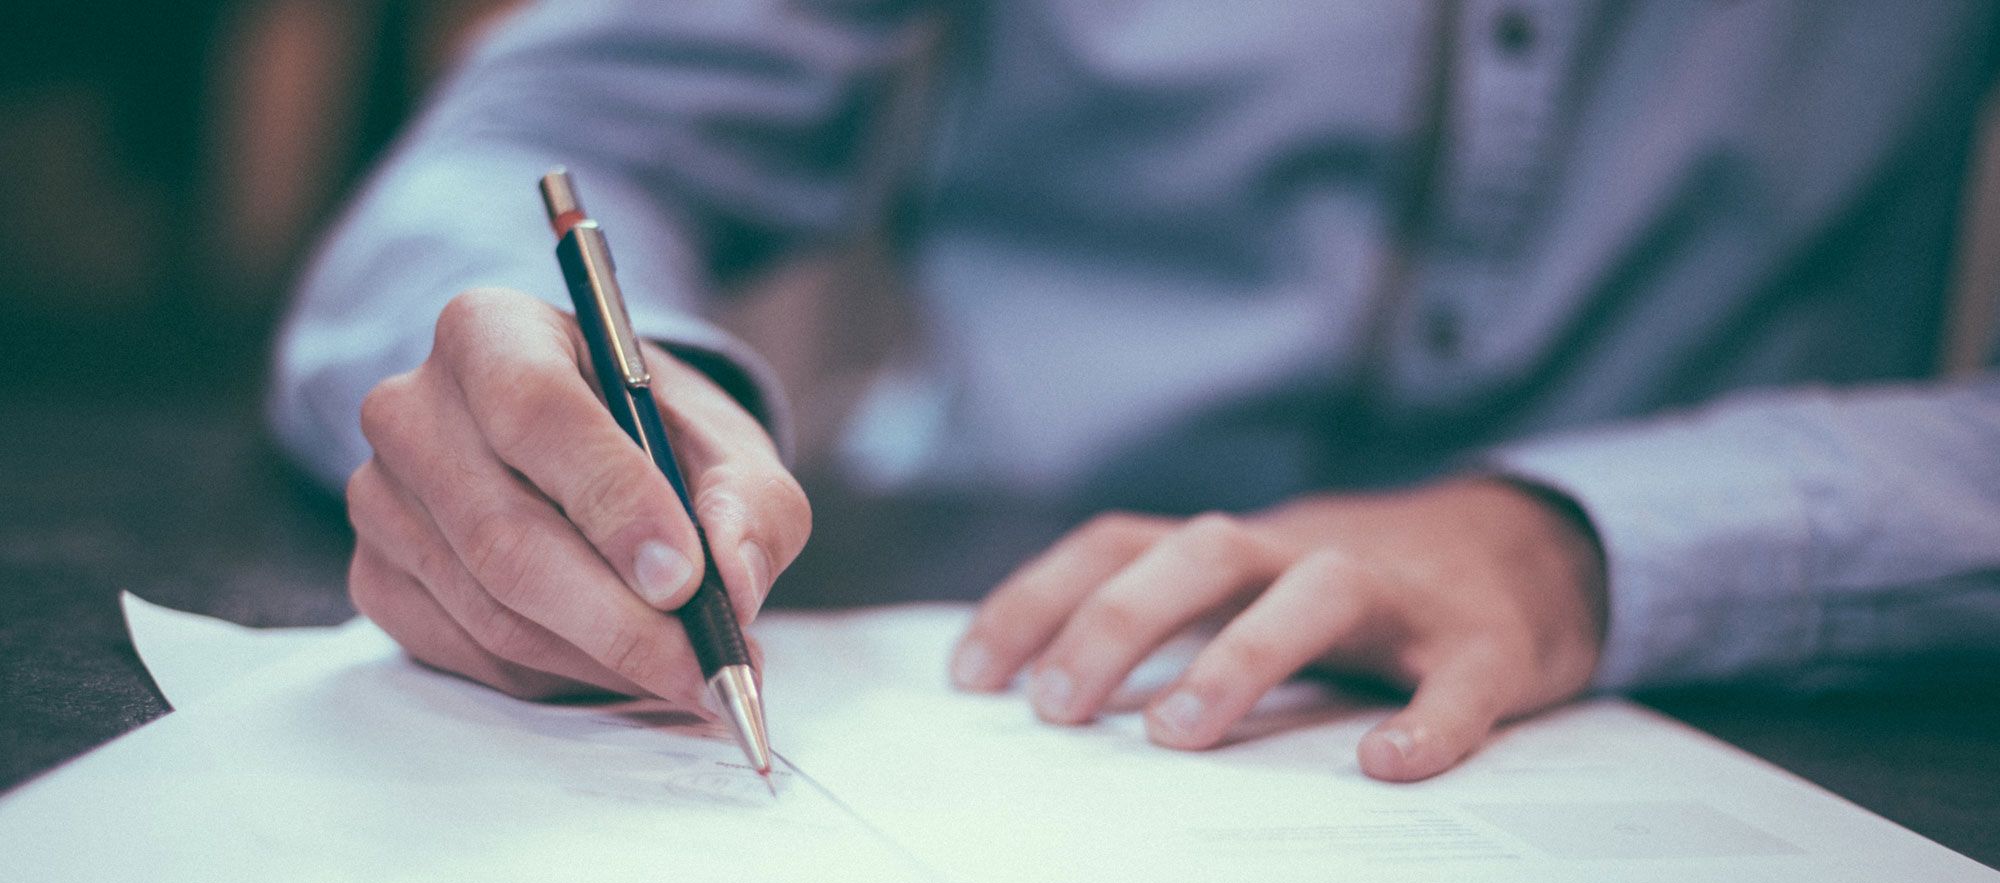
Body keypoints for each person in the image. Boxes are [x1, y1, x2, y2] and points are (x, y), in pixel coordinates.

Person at [272, 1, 2000, 782]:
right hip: (980, 643)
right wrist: (568, 418)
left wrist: (1581, 541)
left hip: (1744, 710)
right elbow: (529, 151)